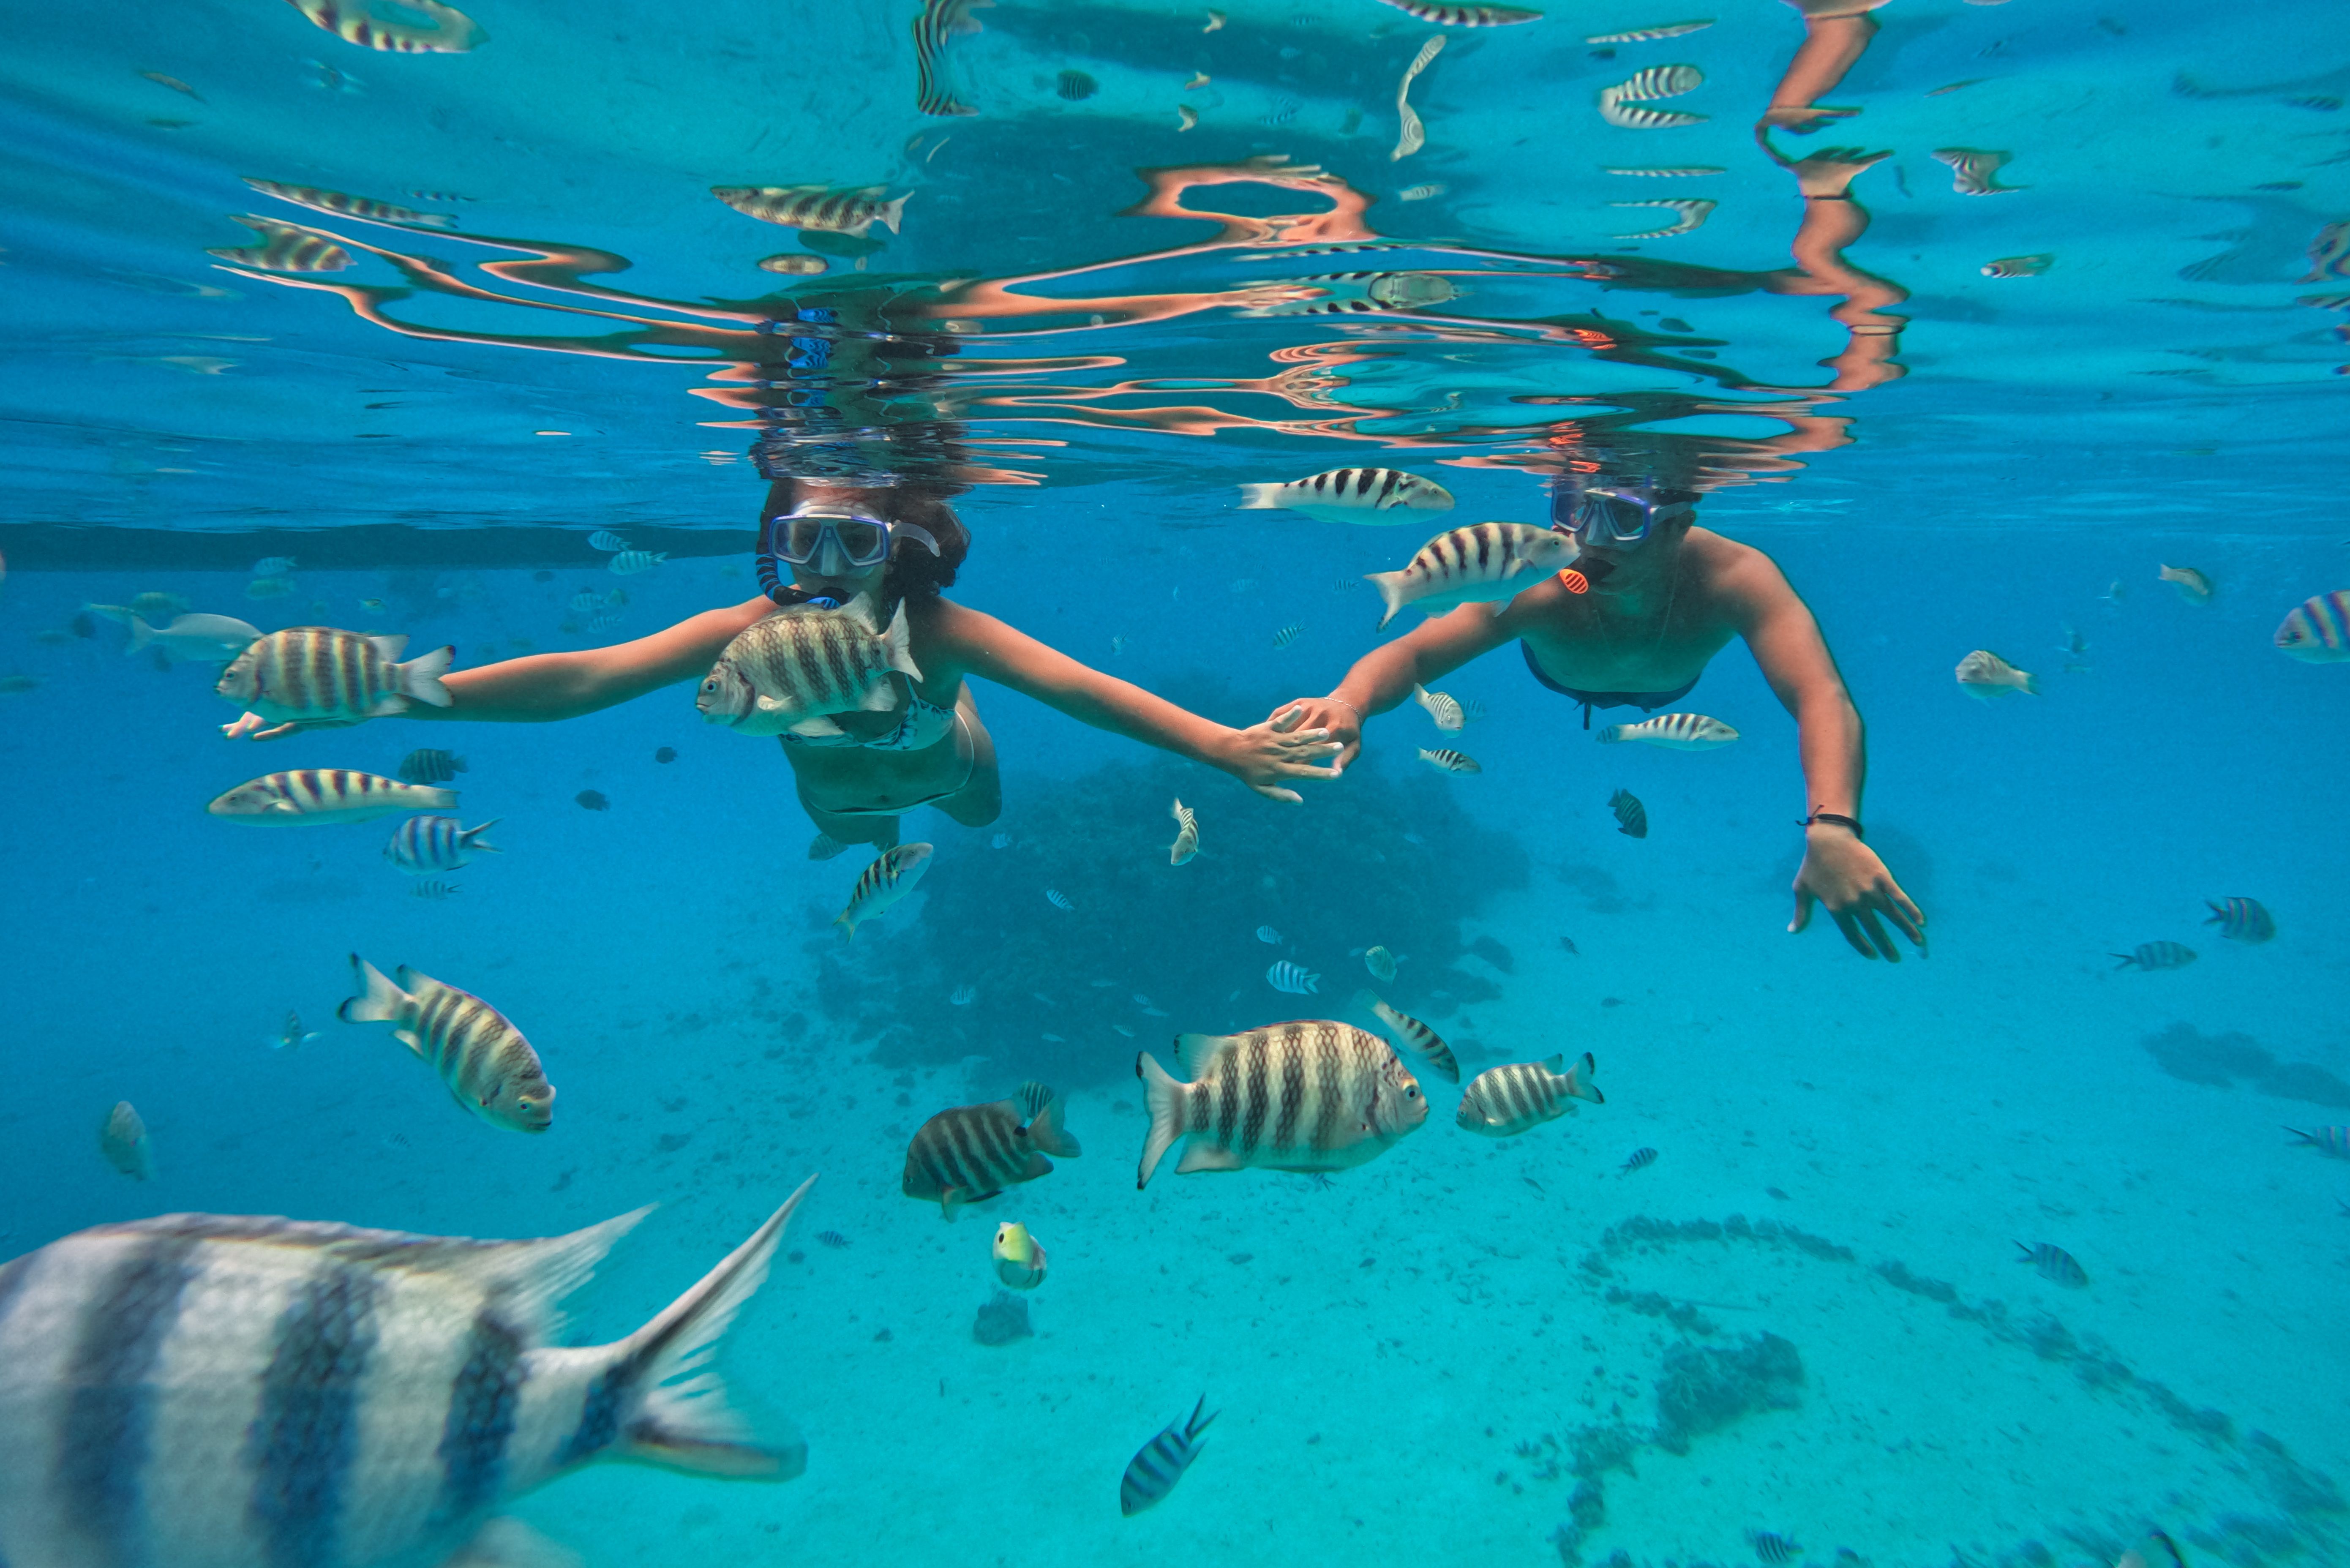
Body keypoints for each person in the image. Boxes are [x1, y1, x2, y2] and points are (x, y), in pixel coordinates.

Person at [225, 477, 1343, 849]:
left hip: (950, 766)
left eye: (854, 540)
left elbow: (1082, 691)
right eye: (801, 537)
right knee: (868, 848)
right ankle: (883, 830)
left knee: (980, 820)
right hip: (838, 799)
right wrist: (382, 694)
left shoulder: (941, 632)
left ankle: (958, 746)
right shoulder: (749, 636)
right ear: (773, 541)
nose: (821, 563)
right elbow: (584, 679)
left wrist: (1219, 746)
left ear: (902, 546)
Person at [1269, 480, 1927, 963]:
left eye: (1624, 516)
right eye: (1571, 508)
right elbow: (1413, 651)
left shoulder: (1735, 578)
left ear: (1676, 523)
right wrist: (1348, 701)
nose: (1589, 536)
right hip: (1562, 676)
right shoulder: (1546, 586)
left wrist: (1833, 826)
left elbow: (1821, 697)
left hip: (1666, 691)